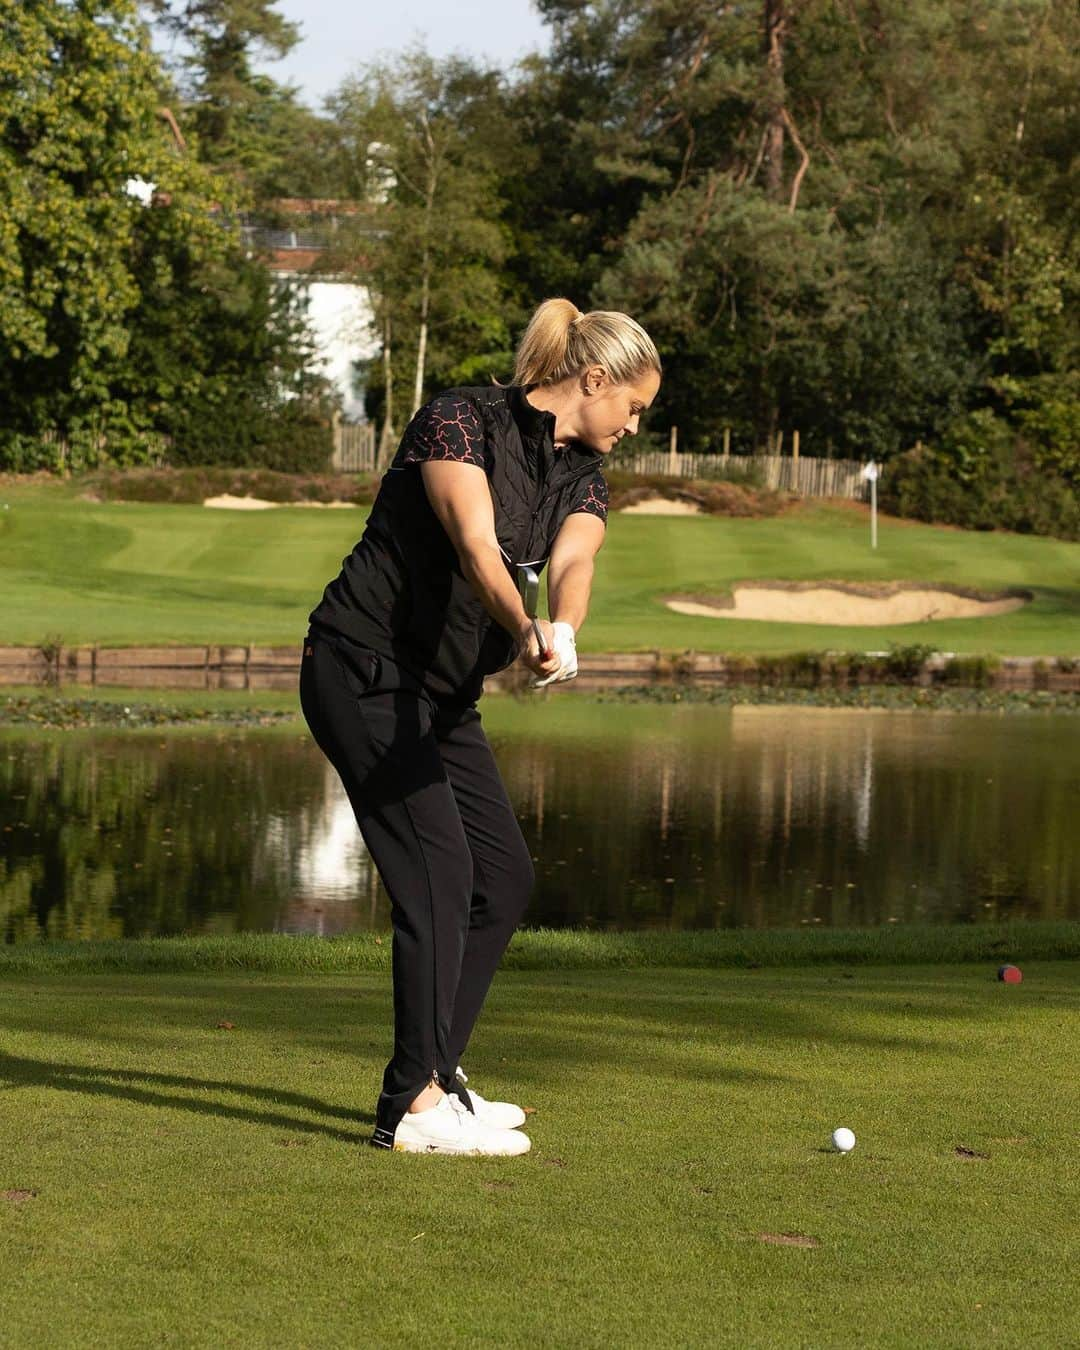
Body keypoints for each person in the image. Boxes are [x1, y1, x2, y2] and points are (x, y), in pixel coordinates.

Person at [300, 297, 661, 1155]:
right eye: (635, 407)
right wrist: (522, 624)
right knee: (438, 871)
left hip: (441, 694)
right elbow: (475, 545)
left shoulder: (582, 472)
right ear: (595, 378)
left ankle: (439, 1076)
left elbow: (573, 557)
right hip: (362, 670)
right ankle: (407, 1110)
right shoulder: (459, 422)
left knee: (500, 878)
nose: (635, 426)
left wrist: (561, 628)